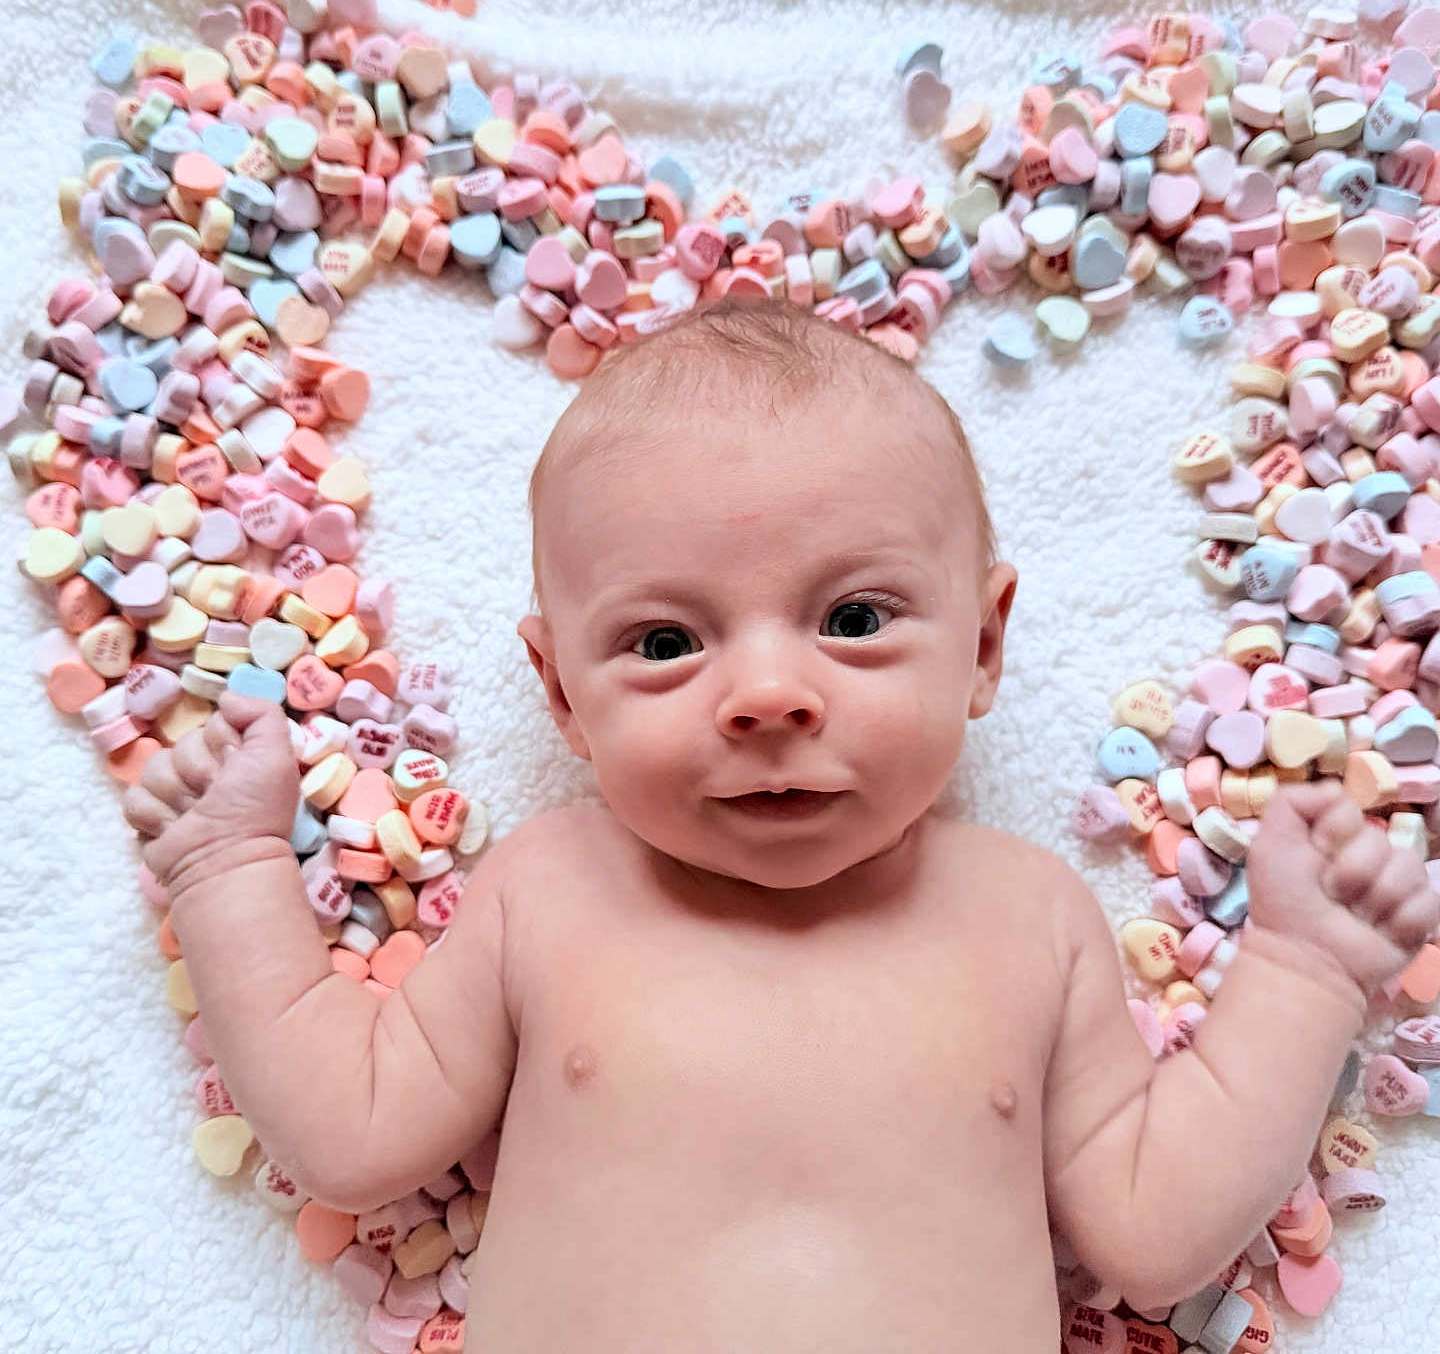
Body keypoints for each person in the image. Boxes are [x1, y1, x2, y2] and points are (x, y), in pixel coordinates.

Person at [124, 297, 1440, 1351]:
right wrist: (230, 871)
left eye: (853, 620)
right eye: (664, 642)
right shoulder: (551, 891)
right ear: (561, 692)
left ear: (983, 646)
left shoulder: (1027, 916)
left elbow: (1156, 1234)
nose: (765, 695)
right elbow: (349, 1134)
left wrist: (1303, 973)